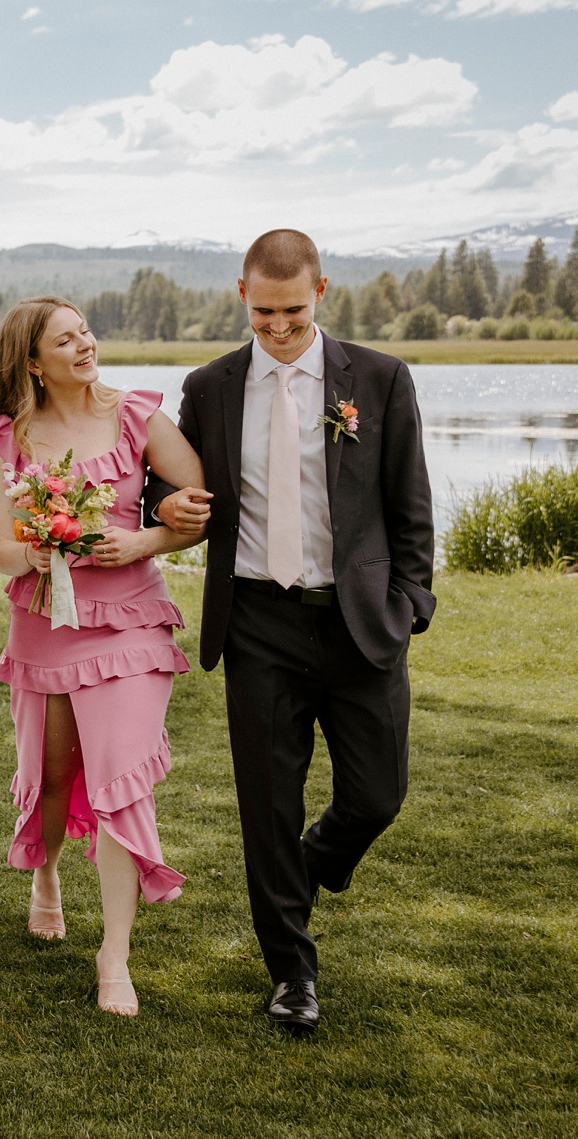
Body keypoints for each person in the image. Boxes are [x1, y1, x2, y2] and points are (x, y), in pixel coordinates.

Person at [152, 229, 434, 1035]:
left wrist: (412, 601)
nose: (278, 327)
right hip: (258, 623)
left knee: (377, 794)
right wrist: (160, 509)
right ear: (242, 293)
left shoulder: (377, 379)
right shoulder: (210, 387)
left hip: (360, 623)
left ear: (321, 294)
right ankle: (292, 974)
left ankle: (307, 870)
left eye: (294, 311)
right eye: (265, 311)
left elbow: (409, 499)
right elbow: (165, 488)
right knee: (267, 805)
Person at [0, 296, 206, 1016]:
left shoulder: (136, 415)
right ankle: (46, 877)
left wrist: (146, 540)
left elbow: (195, 504)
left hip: (131, 621)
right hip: (46, 621)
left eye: (86, 333)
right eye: (65, 341)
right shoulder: (7, 438)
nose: (84, 346)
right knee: (58, 771)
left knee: (122, 780)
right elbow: (2, 548)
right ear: (32, 361)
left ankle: (115, 955)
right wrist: (42, 550)